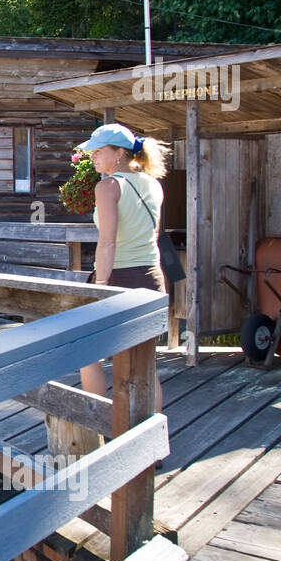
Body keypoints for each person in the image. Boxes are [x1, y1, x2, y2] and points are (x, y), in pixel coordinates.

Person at [75, 123, 169, 416]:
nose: (92, 157)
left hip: (117, 278)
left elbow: (107, 244)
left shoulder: (108, 187)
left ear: (118, 154)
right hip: (152, 278)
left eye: (98, 151)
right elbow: (152, 236)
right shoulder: (153, 184)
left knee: (86, 353)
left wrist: (100, 286)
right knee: (144, 364)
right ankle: (149, 447)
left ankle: (98, 431)